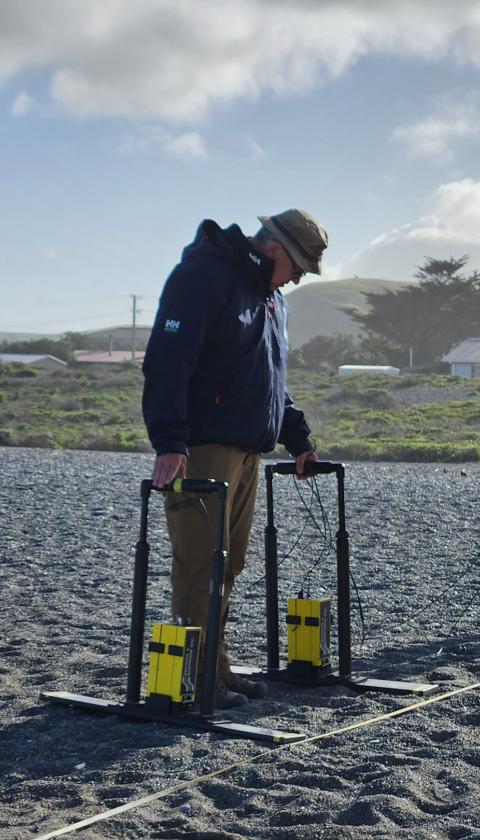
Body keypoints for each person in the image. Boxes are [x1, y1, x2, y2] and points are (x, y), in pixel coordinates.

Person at [142, 209, 327, 708]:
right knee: (200, 562)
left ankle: (214, 668)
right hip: (202, 448)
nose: (299, 279)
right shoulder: (204, 276)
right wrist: (170, 443)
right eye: (300, 268)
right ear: (274, 251)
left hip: (247, 452)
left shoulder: (268, 297)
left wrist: (298, 437)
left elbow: (269, 379)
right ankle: (197, 676)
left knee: (228, 563)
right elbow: (167, 359)